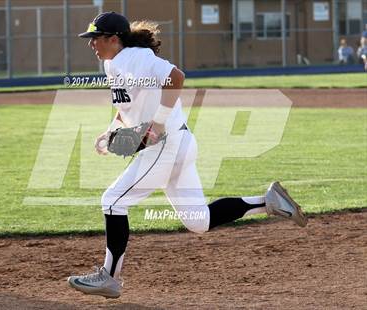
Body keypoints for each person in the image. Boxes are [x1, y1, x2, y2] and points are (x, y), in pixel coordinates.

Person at [67, 12, 308, 299]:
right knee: (199, 221)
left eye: (95, 38)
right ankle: (268, 202)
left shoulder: (134, 57)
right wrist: (110, 131)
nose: (91, 44)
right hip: (178, 143)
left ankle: (109, 277)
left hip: (165, 146)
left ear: (113, 39)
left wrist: (157, 122)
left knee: (112, 201)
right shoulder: (113, 63)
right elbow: (127, 105)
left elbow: (175, 77)